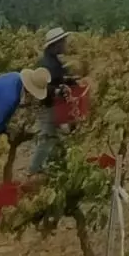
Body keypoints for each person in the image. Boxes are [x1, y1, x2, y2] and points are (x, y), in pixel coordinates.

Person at [29, 26, 80, 175]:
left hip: (55, 105)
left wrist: (70, 81)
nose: (65, 45)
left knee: (55, 136)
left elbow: (59, 79)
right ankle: (34, 169)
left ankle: (57, 163)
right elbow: (42, 85)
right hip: (48, 105)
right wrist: (57, 90)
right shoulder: (46, 64)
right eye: (63, 42)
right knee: (48, 136)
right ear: (54, 45)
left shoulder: (53, 61)